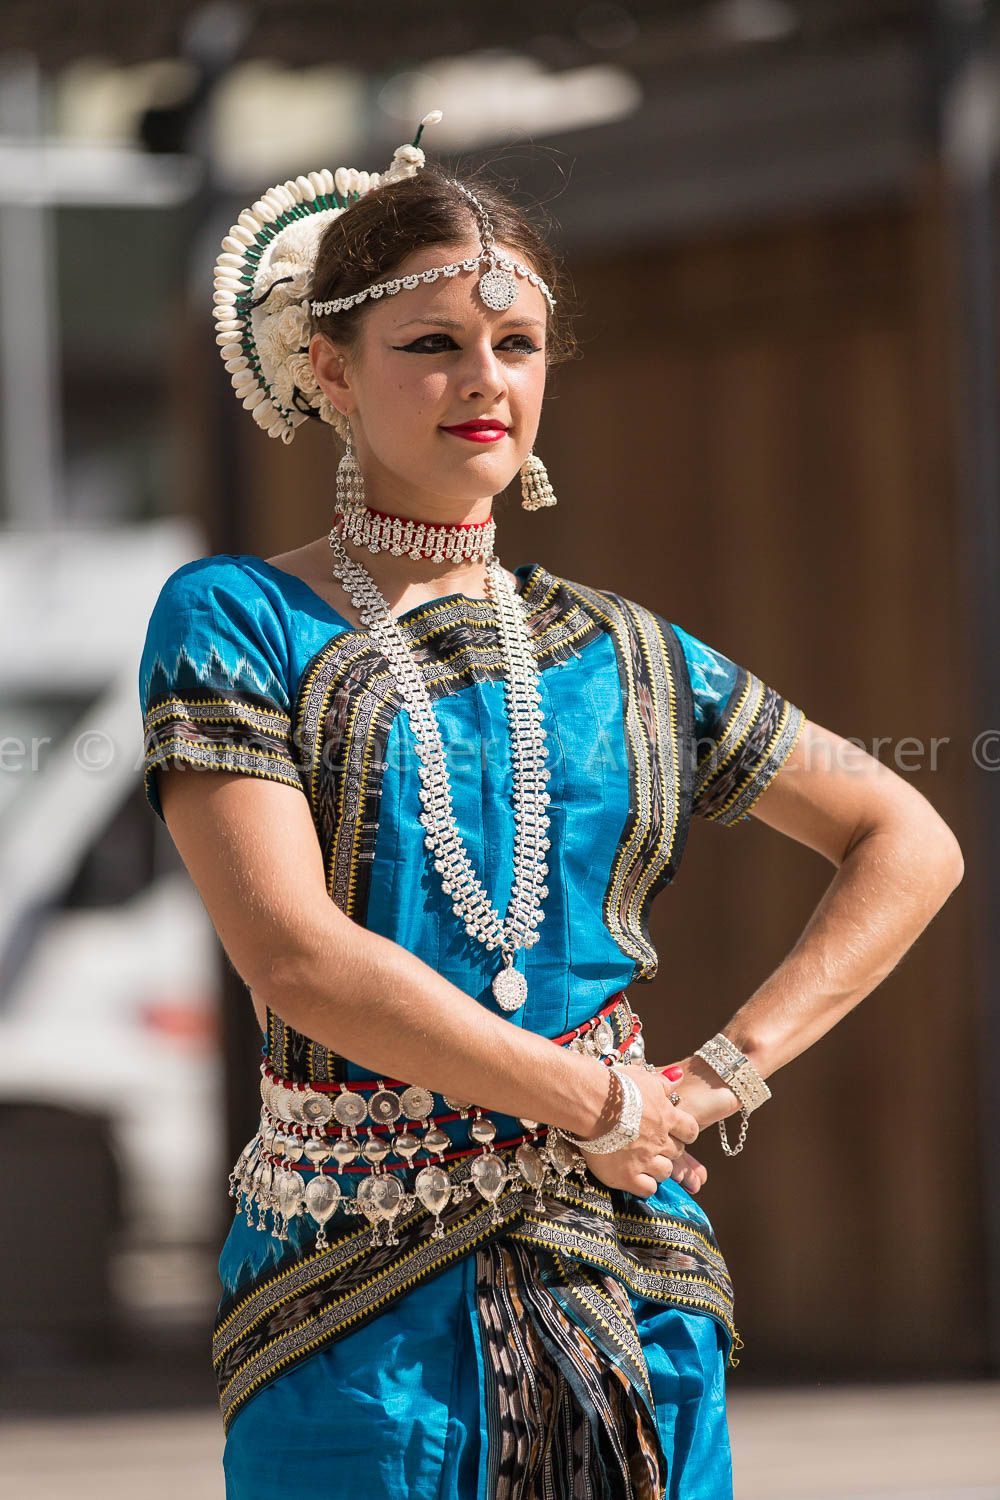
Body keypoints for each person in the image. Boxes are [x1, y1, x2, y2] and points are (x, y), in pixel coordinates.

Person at [138, 112, 964, 1500]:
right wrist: (597, 1099)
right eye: (433, 344)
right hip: (356, 1311)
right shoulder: (237, 621)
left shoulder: (624, 653)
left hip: (632, 1292)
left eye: (516, 346)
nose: (485, 381)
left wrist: (719, 1078)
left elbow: (909, 841)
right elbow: (295, 955)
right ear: (329, 368)